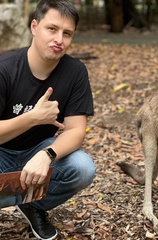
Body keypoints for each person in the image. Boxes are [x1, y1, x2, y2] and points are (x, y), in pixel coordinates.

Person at [0, 0, 96, 239]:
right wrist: (32, 118)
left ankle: (32, 205)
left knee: (83, 168)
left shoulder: (75, 72)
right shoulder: (5, 69)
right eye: (51, 29)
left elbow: (76, 130)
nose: (59, 40)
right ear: (34, 27)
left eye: (67, 33)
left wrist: (47, 155)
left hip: (37, 151)